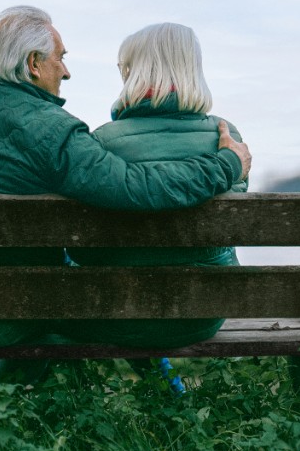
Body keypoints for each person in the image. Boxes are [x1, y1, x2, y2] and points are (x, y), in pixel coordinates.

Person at [0, 6, 251, 384]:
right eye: (60, 58)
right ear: (33, 64)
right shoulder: (51, 129)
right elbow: (133, 186)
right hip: (1, 316)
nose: (66, 71)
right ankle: (8, 398)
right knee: (59, 293)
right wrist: (226, 164)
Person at [63, 23, 245, 348]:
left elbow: (81, 248)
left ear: (133, 72)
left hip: (114, 316)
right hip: (202, 316)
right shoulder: (226, 138)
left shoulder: (101, 143)